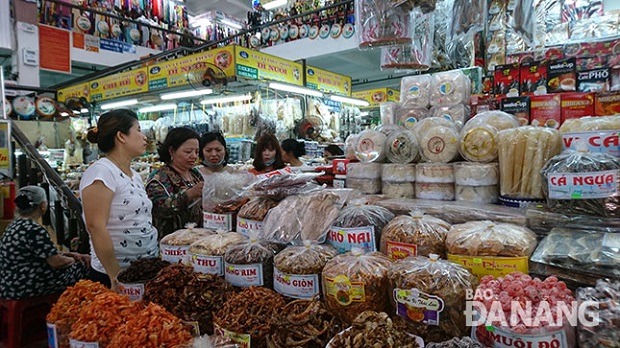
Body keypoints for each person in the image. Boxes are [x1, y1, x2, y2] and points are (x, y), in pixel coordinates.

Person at [80, 109, 158, 289]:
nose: (144, 136)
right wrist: (114, 275)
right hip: (115, 276)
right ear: (121, 136)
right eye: (138, 130)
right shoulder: (102, 171)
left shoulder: (134, 175)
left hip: (142, 270)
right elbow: (95, 226)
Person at [0, 186, 90, 299]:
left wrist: (72, 254)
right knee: (84, 268)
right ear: (43, 206)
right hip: (26, 287)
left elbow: (45, 253)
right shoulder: (33, 229)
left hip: (10, 284)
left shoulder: (15, 225)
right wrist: (76, 260)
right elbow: (56, 262)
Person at [146, 127, 204, 238]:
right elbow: (160, 209)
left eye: (196, 152)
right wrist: (189, 194)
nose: (194, 156)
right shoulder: (160, 177)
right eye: (188, 152)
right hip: (172, 242)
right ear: (171, 151)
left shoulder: (194, 173)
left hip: (197, 237)